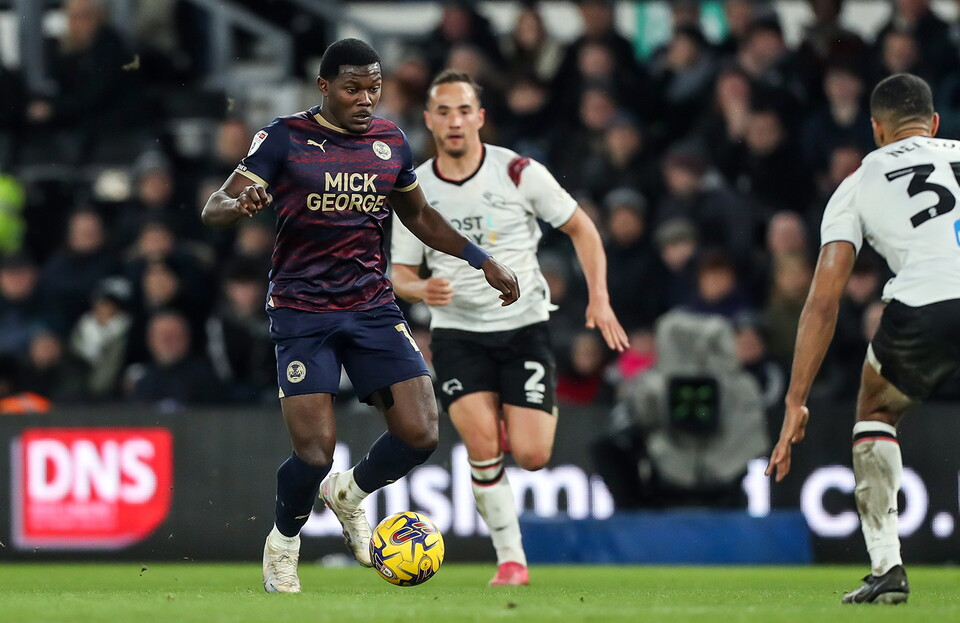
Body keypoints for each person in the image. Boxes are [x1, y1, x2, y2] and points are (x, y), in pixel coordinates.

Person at [200, 39, 519, 594]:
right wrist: (239, 206)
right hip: (303, 312)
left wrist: (482, 259)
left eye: (373, 88)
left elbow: (420, 216)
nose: (366, 99)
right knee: (315, 452)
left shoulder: (390, 141)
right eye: (353, 89)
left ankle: (349, 493)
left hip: (371, 306)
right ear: (324, 87)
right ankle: (283, 544)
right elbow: (215, 207)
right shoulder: (284, 138)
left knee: (421, 434)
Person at [390, 69, 628, 586]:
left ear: (480, 117)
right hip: (457, 334)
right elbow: (400, 273)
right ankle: (511, 561)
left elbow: (581, 227)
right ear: (429, 121)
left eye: (463, 110)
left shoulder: (519, 173)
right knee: (481, 447)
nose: (454, 121)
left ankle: (501, 420)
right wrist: (420, 291)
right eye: (443, 112)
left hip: (524, 328)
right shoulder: (416, 189)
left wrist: (600, 297)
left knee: (535, 455)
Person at [766, 73, 958, 604]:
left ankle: (887, 567)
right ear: (935, 123)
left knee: (875, 409)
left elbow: (824, 301)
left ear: (876, 129)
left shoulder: (858, 182)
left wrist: (795, 400)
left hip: (927, 304)